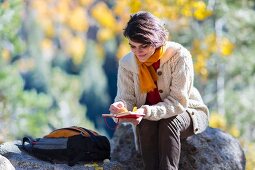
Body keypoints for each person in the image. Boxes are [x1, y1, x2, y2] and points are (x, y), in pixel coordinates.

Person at [109, 11, 209, 170]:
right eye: (133, 46)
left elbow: (178, 102)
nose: (138, 52)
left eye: (144, 46)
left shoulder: (179, 56)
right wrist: (120, 107)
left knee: (169, 123)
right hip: (149, 115)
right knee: (146, 124)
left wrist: (146, 111)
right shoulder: (127, 64)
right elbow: (126, 98)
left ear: (157, 41)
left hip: (188, 110)